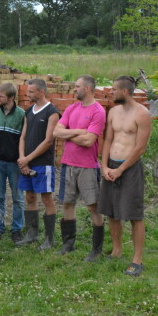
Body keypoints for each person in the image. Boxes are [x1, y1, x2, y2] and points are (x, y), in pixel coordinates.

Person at [98, 76, 152, 276]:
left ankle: (137, 260)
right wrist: (104, 166)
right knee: (111, 211)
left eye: (113, 90)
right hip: (110, 166)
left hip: (129, 169)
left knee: (134, 215)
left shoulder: (142, 114)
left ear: (125, 91)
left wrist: (121, 170)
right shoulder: (113, 112)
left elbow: (140, 148)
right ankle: (116, 250)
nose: (110, 93)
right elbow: (107, 140)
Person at [53, 75, 106, 261]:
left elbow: (89, 140)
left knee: (93, 206)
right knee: (67, 203)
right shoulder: (71, 108)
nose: (74, 89)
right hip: (68, 164)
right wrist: (78, 131)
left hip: (87, 167)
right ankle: (68, 244)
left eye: (77, 86)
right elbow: (56, 131)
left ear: (88, 89)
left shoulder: (98, 111)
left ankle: (96, 249)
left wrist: (68, 135)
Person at [15, 79, 60, 249]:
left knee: (47, 198)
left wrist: (28, 159)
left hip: (43, 163)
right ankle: (31, 233)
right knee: (30, 196)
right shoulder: (28, 112)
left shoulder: (52, 112)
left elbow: (48, 141)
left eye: (31, 92)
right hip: (26, 163)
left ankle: (49, 238)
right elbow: (23, 137)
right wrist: (22, 159)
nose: (28, 94)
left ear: (42, 92)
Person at [0, 82, 26, 243]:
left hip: (14, 164)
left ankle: (17, 229)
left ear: (11, 97)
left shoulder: (21, 115)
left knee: (18, 198)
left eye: (1, 96)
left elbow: (24, 139)